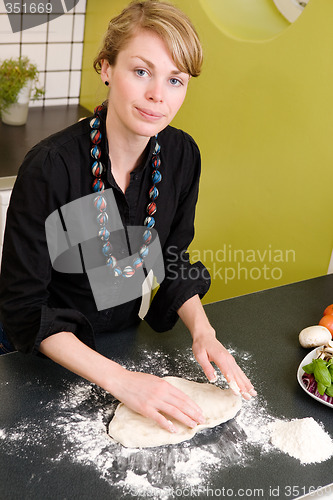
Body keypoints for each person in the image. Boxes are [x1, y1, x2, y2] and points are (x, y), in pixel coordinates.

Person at [0, 0, 256, 433]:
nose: (158, 95)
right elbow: (24, 309)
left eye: (175, 79)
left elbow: (171, 256)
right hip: (39, 359)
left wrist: (202, 331)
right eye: (141, 71)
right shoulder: (50, 168)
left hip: (119, 344)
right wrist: (124, 383)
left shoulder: (181, 156)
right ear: (105, 68)